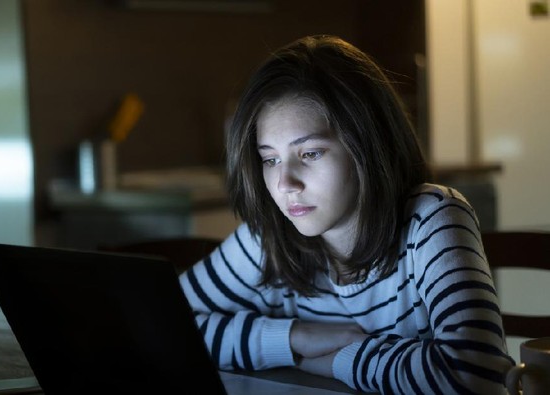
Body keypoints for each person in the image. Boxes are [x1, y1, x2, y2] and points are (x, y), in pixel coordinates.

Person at [178, 35, 514, 394]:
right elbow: (160, 325)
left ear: (367, 145)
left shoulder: (431, 219)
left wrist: (337, 361)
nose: (285, 183)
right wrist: (293, 339)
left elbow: (477, 375)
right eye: (270, 159)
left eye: (310, 154)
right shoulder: (265, 240)